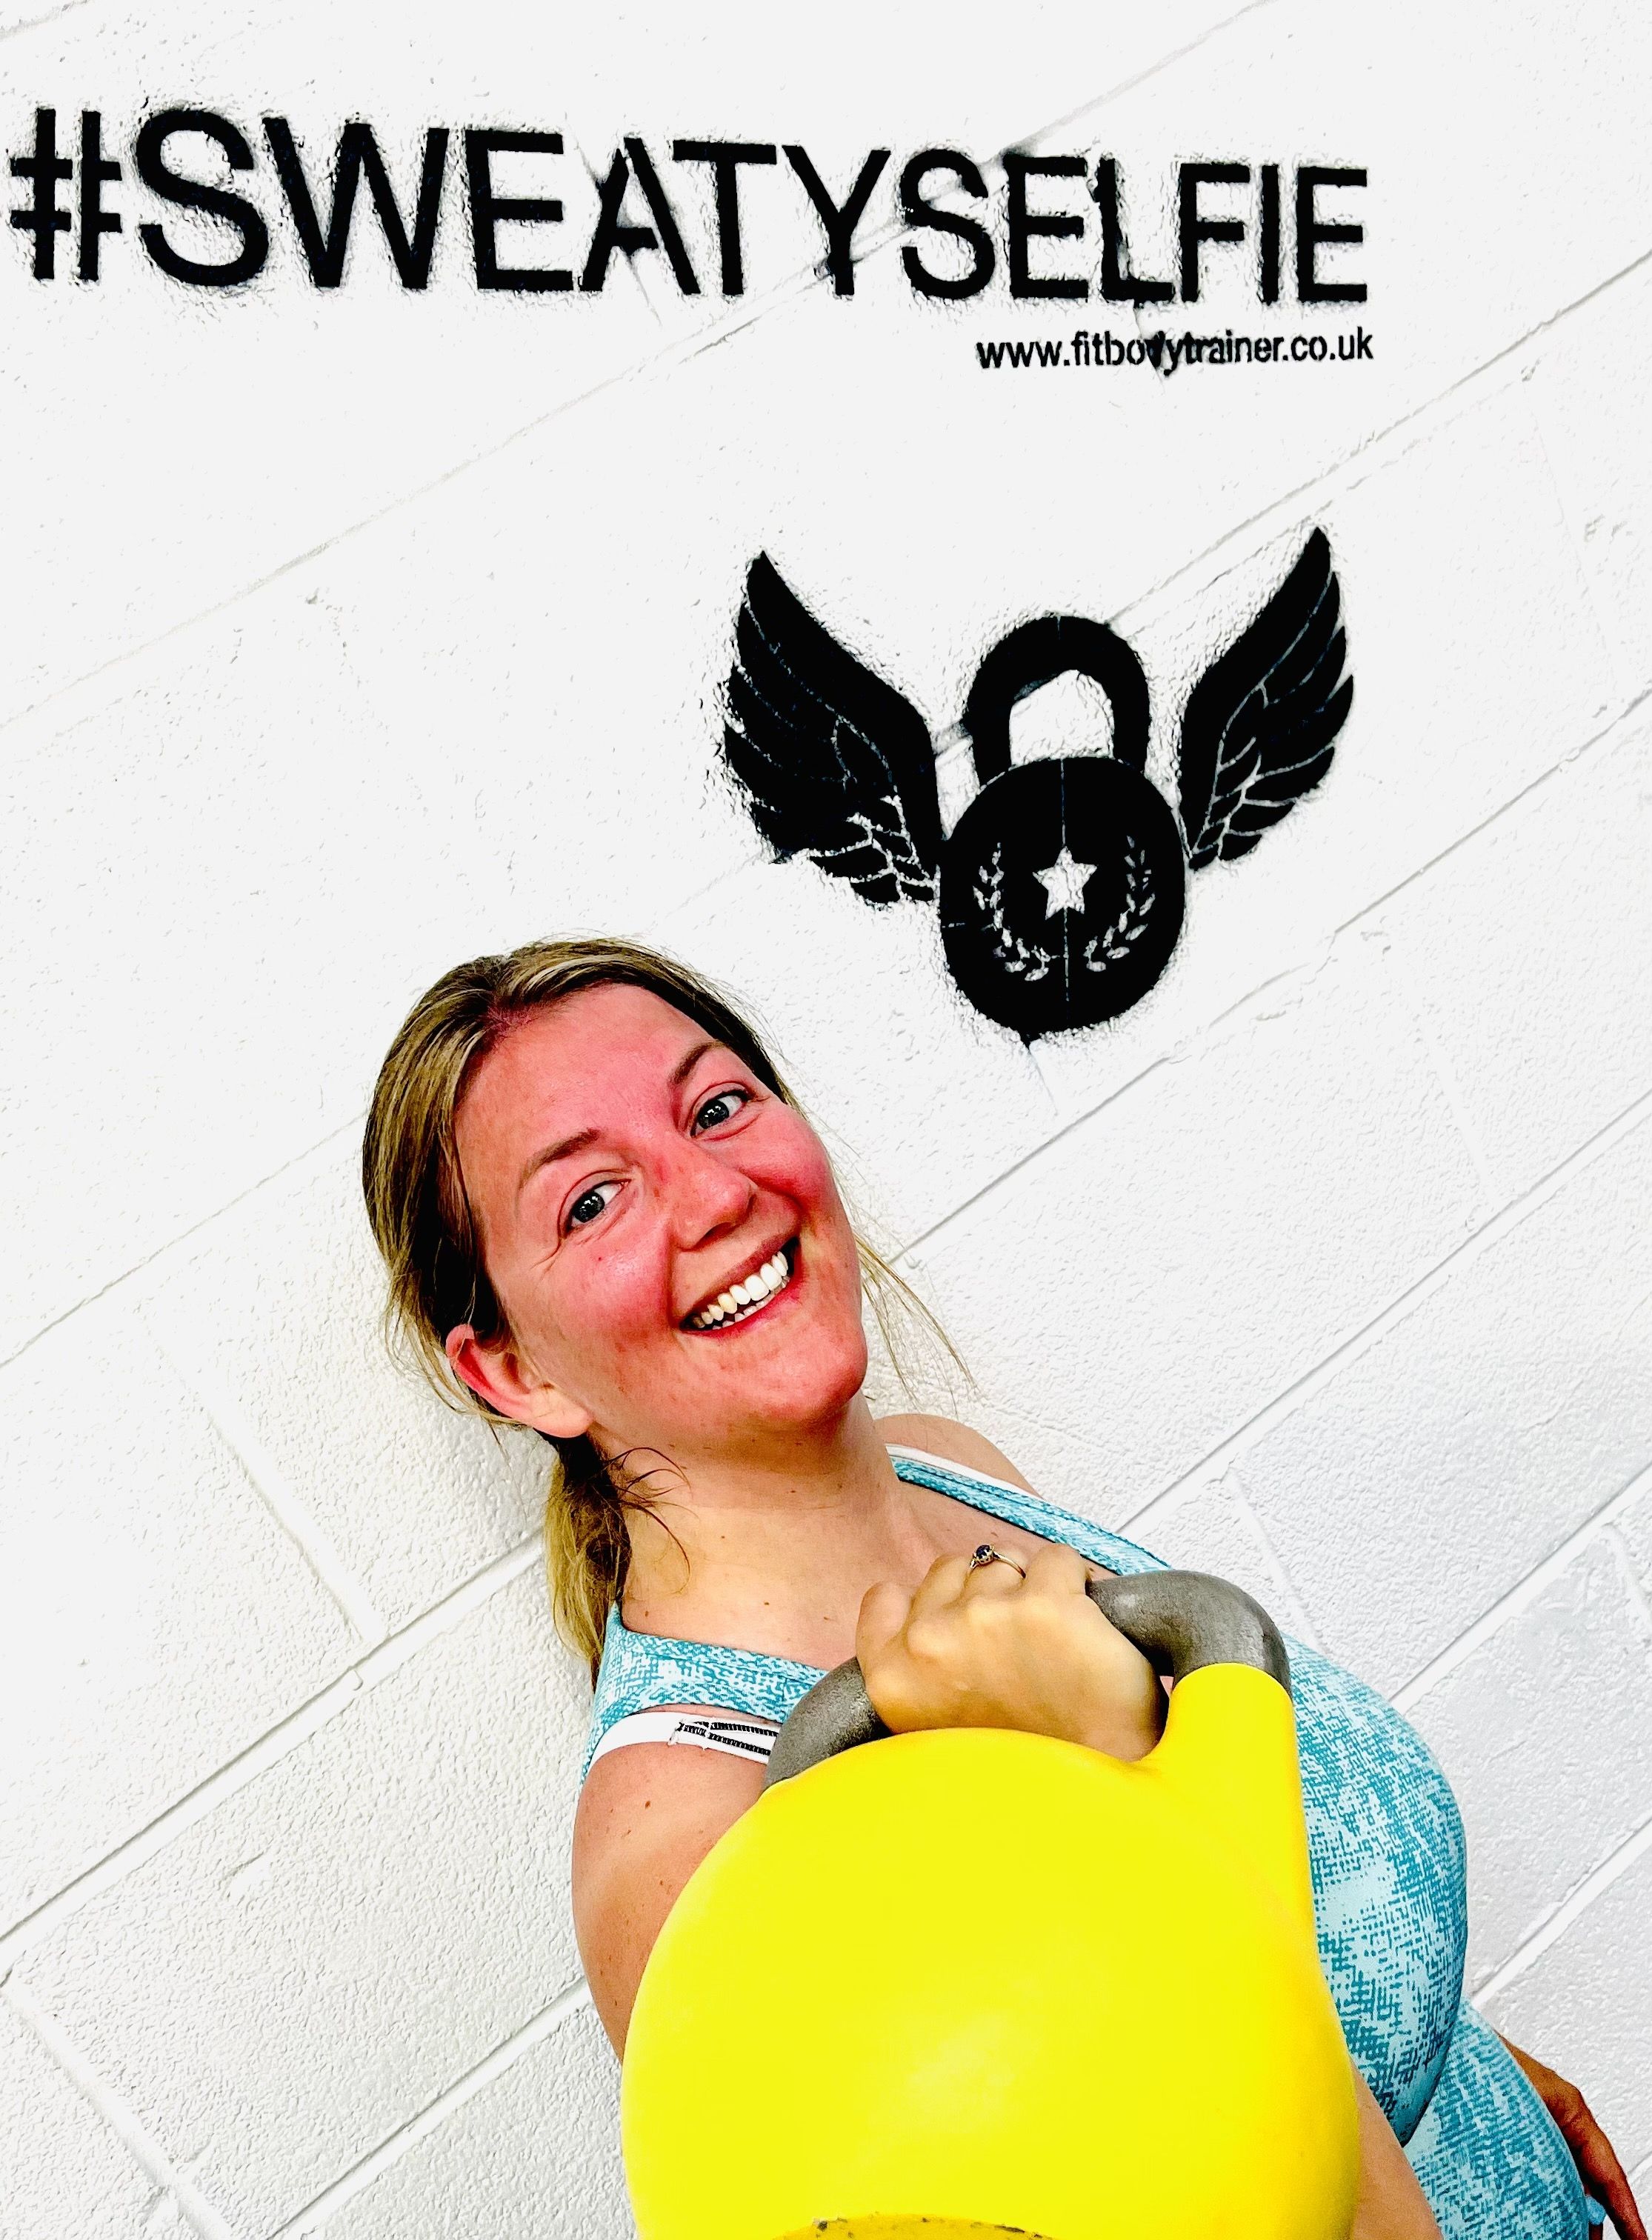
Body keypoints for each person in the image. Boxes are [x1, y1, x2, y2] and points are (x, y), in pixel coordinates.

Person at [363, 934, 1643, 2240]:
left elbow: (1302, 1949)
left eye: (717, 1107)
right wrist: (1128, 1789)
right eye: (591, 1201)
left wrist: (1454, 2067)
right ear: (516, 1374)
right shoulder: (682, 1858)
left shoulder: (951, 1472)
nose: (713, 1195)